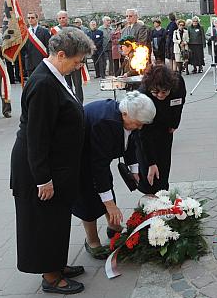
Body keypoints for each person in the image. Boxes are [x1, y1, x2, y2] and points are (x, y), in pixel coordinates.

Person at [10, 27, 94, 294]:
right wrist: (43, 178)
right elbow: (37, 136)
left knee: (56, 218)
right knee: (43, 221)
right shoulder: (44, 83)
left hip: (56, 165)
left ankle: (56, 263)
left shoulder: (55, 76)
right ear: (61, 55)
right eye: (77, 61)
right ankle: (50, 276)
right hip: (39, 169)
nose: (78, 66)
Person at [72, 92, 156, 259]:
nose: (140, 127)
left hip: (98, 158)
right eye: (137, 123)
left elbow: (132, 141)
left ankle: (114, 226)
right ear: (125, 114)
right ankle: (92, 240)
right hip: (80, 158)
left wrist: (134, 171)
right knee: (88, 198)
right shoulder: (105, 123)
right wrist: (110, 204)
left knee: (106, 189)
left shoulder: (128, 118)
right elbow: (99, 167)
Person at [138, 65, 186, 194]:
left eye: (164, 92)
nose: (160, 95)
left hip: (166, 128)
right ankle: (150, 198)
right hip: (146, 128)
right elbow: (143, 133)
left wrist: (174, 124)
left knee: (164, 167)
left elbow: (179, 103)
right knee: (149, 172)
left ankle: (163, 193)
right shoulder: (143, 95)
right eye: (156, 92)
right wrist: (151, 162)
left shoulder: (178, 83)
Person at [52, 11, 84, 102]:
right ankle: (70, 104)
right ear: (57, 19)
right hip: (62, 62)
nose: (62, 20)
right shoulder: (54, 31)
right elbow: (52, 47)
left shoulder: (76, 29)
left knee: (78, 85)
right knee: (66, 85)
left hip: (75, 61)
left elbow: (83, 45)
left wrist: (82, 61)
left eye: (63, 17)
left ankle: (79, 104)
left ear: (67, 18)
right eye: (60, 18)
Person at [23, 12, 51, 78]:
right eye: (28, 18)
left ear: (37, 19)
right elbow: (23, 49)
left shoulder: (45, 31)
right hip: (30, 63)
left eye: (32, 18)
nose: (30, 19)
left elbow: (49, 47)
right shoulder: (25, 33)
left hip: (42, 62)